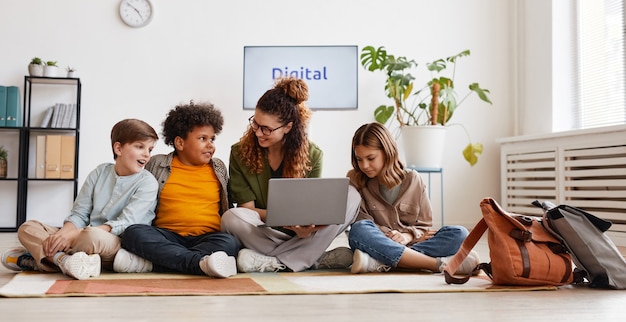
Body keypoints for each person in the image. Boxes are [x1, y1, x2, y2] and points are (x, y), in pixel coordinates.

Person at [221, 76, 361, 272]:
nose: (258, 132)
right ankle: (311, 258)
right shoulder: (239, 152)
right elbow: (247, 210)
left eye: (266, 129)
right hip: (265, 233)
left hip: (302, 235)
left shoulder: (313, 154)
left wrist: (307, 226)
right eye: (255, 123)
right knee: (231, 217)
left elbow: (312, 208)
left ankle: (274, 262)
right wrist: (285, 220)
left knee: (352, 195)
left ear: (288, 127)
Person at [1, 119, 159, 280]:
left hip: (113, 242)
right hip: (82, 237)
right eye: (140, 147)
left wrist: (73, 236)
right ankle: (64, 261)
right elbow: (79, 213)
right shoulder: (100, 172)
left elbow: (127, 223)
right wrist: (62, 235)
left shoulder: (148, 183)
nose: (147, 154)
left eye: (150, 149)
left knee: (91, 235)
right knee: (27, 228)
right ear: (118, 148)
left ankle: (41, 258)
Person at [114, 101, 239, 278]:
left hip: (207, 238)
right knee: (134, 233)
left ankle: (161, 261)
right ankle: (199, 263)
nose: (210, 145)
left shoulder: (218, 167)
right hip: (166, 235)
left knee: (229, 243)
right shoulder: (156, 163)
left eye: (212, 139)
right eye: (203, 139)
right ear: (180, 143)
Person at [347, 122, 480, 274]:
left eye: (370, 158)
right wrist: (393, 237)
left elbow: (424, 225)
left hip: (403, 245)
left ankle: (378, 261)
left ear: (387, 152)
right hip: (377, 242)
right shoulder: (355, 179)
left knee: (460, 234)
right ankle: (436, 264)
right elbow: (362, 223)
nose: (364, 165)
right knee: (359, 230)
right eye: (359, 159)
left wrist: (407, 235)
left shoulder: (412, 179)